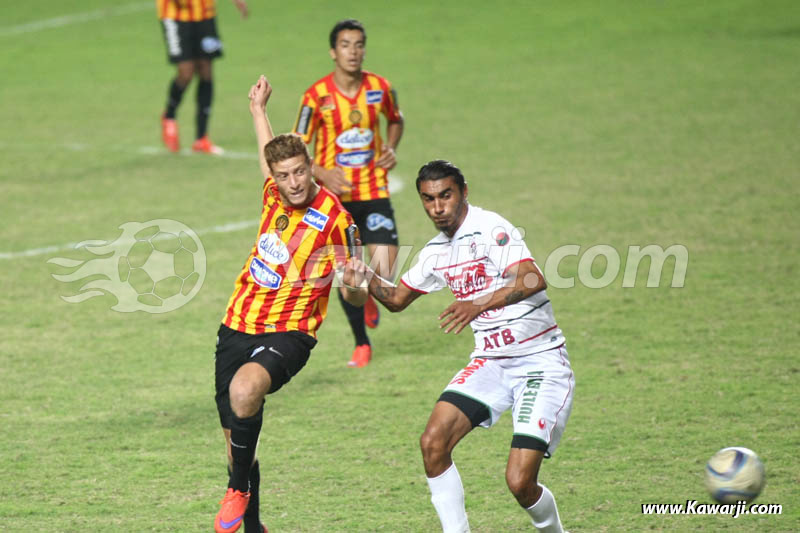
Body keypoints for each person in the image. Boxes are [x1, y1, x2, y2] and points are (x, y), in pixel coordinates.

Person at [345, 160, 575, 532]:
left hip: (540, 363)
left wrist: (478, 303)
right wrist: (365, 274)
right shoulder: (437, 252)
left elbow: (533, 277)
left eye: (446, 196)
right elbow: (397, 298)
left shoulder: (489, 228)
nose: (438, 207)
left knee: (520, 483)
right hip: (491, 363)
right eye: (428, 199)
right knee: (433, 443)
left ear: (464, 192)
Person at [213, 75, 367, 533]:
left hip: (291, 333)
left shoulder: (336, 219)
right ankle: (254, 525)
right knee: (234, 441)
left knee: (245, 392)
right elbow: (267, 157)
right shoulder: (271, 193)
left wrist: (356, 284)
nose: (293, 182)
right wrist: (258, 111)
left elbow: (354, 293)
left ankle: (237, 491)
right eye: (284, 175)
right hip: (236, 325)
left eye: (300, 172)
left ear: (310, 166)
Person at [293, 18, 404, 368]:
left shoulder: (380, 87)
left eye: (358, 45)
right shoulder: (316, 96)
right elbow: (297, 145)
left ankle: (370, 293)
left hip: (373, 190)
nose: (353, 52)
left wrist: (391, 147)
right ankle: (361, 343)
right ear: (333, 51)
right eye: (345, 45)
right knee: (348, 276)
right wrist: (320, 171)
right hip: (335, 200)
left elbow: (396, 119)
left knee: (385, 269)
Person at [158, 0, 249, 155]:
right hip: (175, 15)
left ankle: (201, 138)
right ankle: (169, 117)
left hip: (205, 13)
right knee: (186, 72)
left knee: (206, 71)